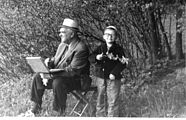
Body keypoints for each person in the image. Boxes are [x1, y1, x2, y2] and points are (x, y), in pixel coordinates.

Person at [30, 18, 90, 116]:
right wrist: (48, 62)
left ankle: (58, 112)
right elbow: (56, 60)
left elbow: (72, 71)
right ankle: (35, 109)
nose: (59, 34)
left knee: (58, 82)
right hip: (61, 76)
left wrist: (50, 74)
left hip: (78, 80)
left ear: (72, 34)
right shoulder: (62, 45)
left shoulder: (81, 48)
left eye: (63, 32)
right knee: (37, 77)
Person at [89, 26, 128, 117]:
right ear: (103, 36)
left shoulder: (118, 49)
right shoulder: (100, 48)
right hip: (101, 77)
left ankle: (112, 117)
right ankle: (100, 116)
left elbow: (123, 63)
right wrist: (96, 57)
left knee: (113, 100)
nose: (109, 37)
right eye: (107, 34)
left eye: (112, 35)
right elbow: (90, 57)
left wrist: (114, 73)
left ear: (116, 37)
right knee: (100, 99)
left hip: (113, 78)